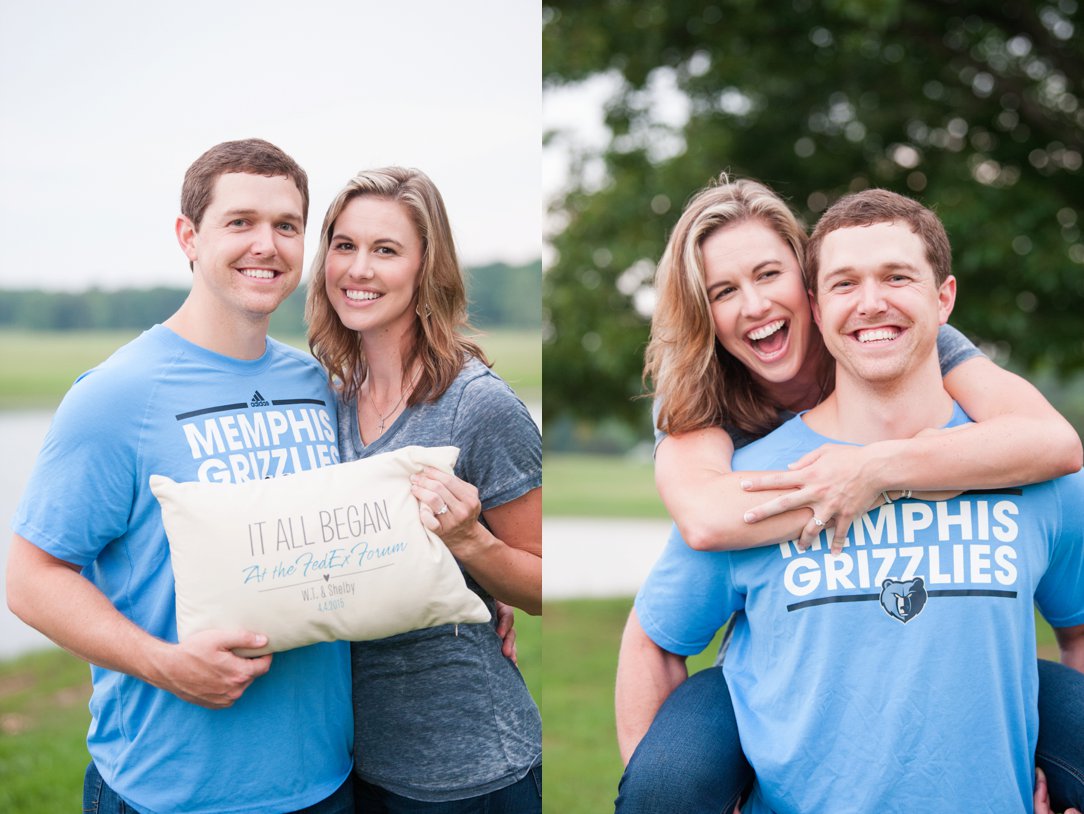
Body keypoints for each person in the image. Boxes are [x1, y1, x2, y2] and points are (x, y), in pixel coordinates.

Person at [615, 177, 1084, 813]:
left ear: (943, 298)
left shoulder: (986, 421)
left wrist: (876, 470)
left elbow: (1054, 443)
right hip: (771, 696)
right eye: (724, 290)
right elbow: (701, 525)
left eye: (767, 274)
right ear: (820, 298)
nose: (754, 304)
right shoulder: (712, 422)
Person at [6, 139, 359, 812]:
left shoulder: (317, 385)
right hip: (168, 792)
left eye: (287, 226)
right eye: (241, 222)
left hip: (325, 785)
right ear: (188, 237)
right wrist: (164, 664)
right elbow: (30, 579)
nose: (268, 244)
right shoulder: (116, 395)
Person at [305, 166, 542, 812]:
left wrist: (474, 546)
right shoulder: (326, 399)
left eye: (385, 250)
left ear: (424, 269)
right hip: (355, 764)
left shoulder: (478, 406)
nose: (358, 268)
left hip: (469, 770)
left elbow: (546, 583)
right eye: (344, 245)